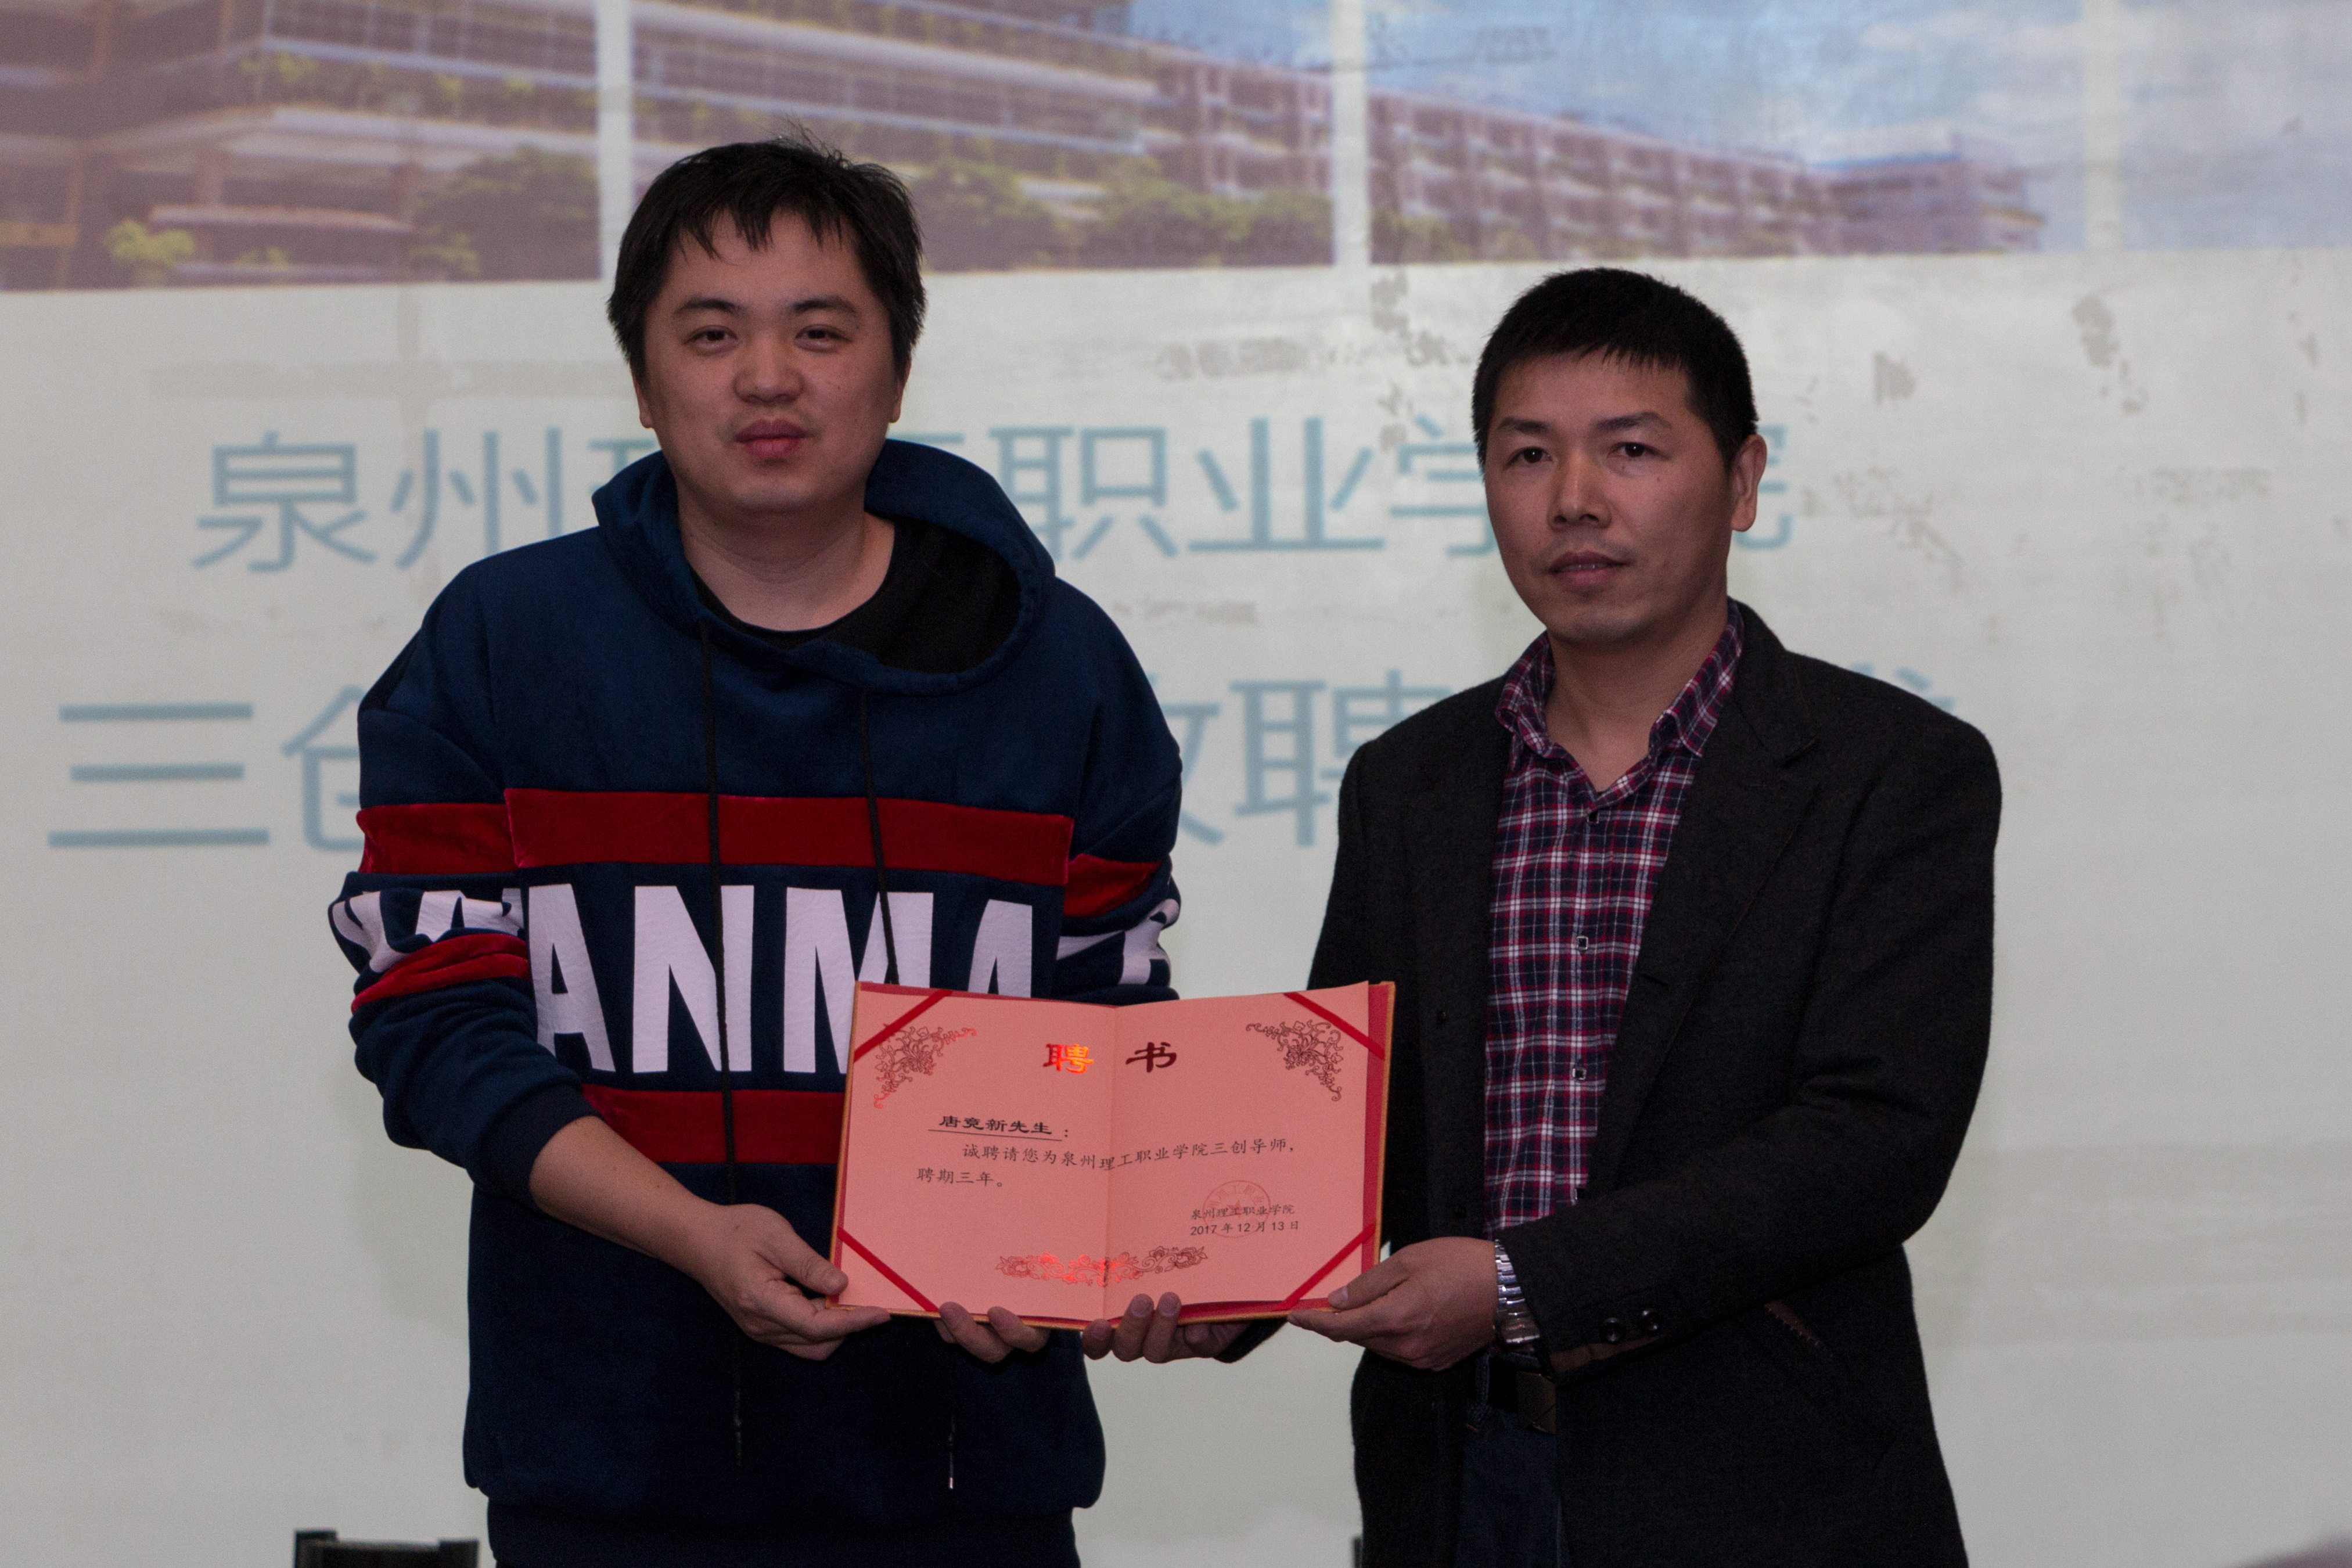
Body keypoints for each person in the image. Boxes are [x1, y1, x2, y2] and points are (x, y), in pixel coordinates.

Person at [327, 136, 1195, 1567]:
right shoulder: (503, 644)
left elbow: (1106, 1034)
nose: (768, 377)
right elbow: (433, 1025)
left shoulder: (1062, 668)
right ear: (642, 378)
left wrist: (1084, 1248)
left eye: (821, 330)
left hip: (966, 1471)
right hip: (612, 1467)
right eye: (713, 333)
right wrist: (688, 1232)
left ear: (896, 372)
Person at [1279, 269, 2001, 1566]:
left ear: (1742, 480)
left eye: (1631, 450)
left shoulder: (1891, 771)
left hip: (1767, 1492)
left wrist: (1522, 1285)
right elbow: (1341, 1114)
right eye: (1527, 454)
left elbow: (1874, 1138)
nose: (1574, 499)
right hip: (1459, 1477)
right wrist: (1200, 1272)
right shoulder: (1412, 781)